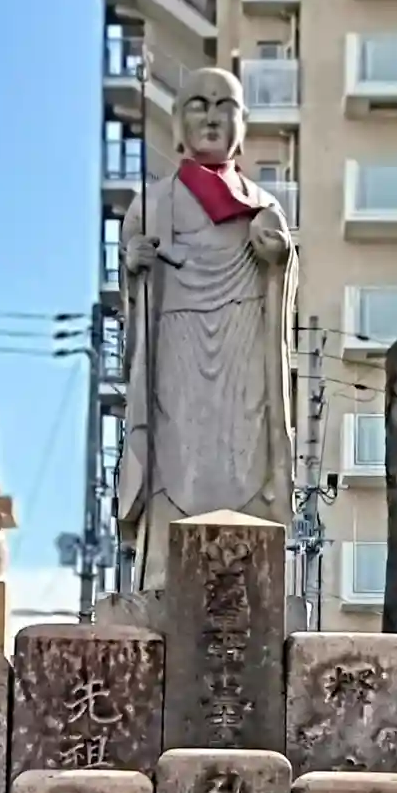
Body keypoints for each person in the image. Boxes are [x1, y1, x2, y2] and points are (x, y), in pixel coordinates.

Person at [116, 68, 298, 590]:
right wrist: (134, 268)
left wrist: (279, 259)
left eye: (225, 106)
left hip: (244, 344)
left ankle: (247, 584)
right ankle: (161, 576)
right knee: (174, 457)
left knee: (246, 452)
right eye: (199, 104)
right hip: (175, 346)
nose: (212, 117)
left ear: (243, 123)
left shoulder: (263, 207)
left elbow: (282, 280)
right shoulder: (152, 204)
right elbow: (133, 293)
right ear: (178, 122)